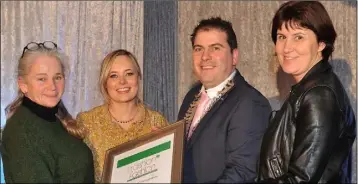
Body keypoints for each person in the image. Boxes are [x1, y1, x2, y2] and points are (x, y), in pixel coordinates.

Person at [258, 1, 356, 183]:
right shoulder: (309, 89)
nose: (286, 48)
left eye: (298, 37)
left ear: (321, 43)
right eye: (281, 37)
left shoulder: (319, 95)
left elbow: (300, 180)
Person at [177, 17, 271, 183]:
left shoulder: (250, 103)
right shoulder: (191, 96)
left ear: (234, 56)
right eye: (198, 49)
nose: (205, 56)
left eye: (215, 48)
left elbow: (242, 172)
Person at [1, 41, 94, 183]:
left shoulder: (53, 117)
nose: (52, 86)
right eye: (42, 79)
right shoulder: (23, 131)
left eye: (57, 77)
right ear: (23, 85)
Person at [76, 49, 169, 183]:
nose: (122, 82)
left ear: (139, 77)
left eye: (129, 74)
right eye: (114, 76)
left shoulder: (157, 121)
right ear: (105, 82)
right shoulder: (86, 122)